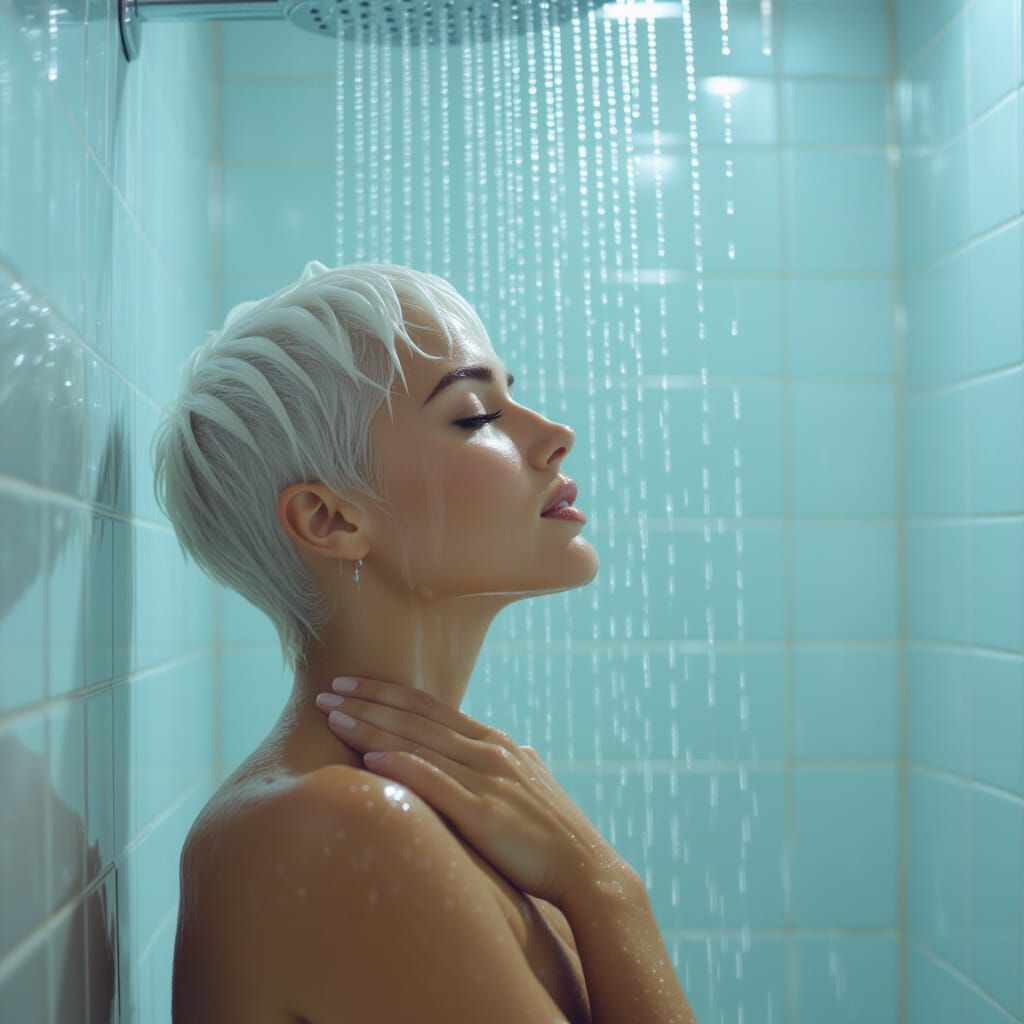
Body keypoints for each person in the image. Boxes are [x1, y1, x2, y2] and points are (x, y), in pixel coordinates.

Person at [154, 261, 695, 1023]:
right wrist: (608, 889)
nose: (555, 436)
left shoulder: (425, 807)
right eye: (476, 415)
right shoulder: (342, 829)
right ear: (331, 520)